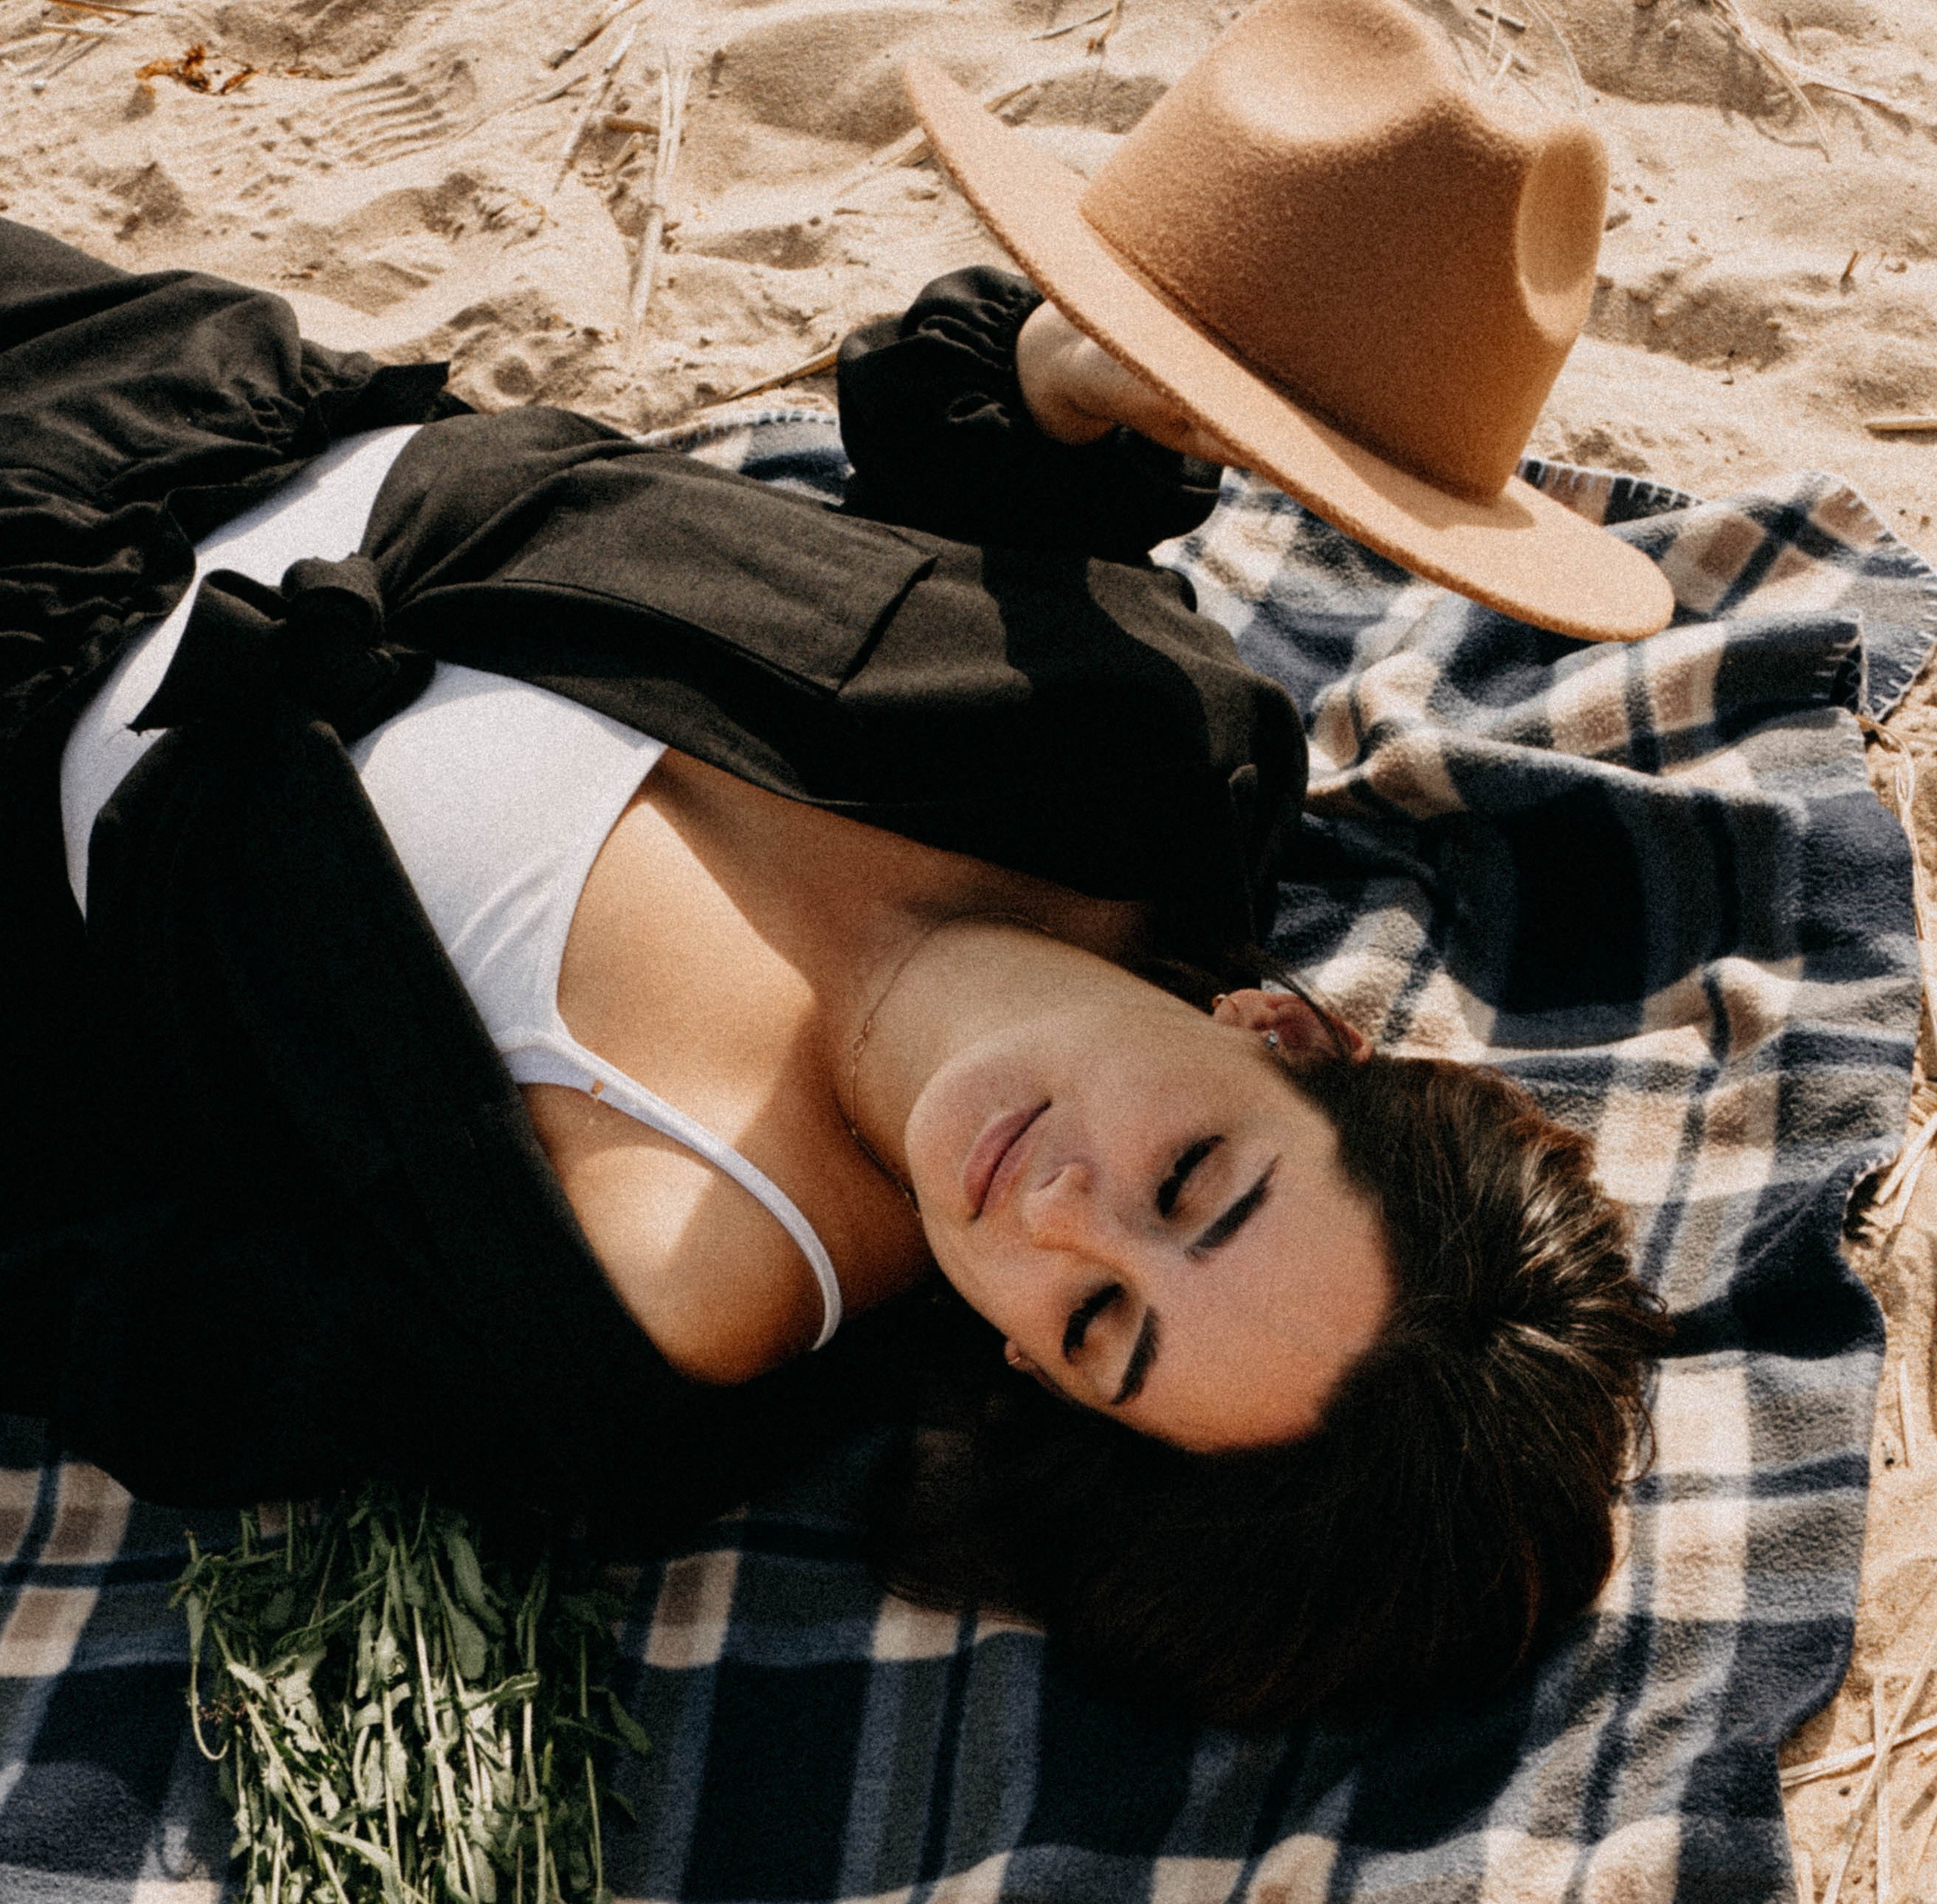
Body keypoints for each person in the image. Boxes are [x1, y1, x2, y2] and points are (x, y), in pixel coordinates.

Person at [0, 0, 1670, 1726]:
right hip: (173, 386)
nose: (1052, 1215)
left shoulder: (659, 1299)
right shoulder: (1148, 752)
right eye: (1187, 1181)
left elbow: (105, 1310)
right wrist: (1064, 387)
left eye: (1096, 1327)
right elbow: (932, 472)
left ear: (1031, 1377)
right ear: (1278, 1033)